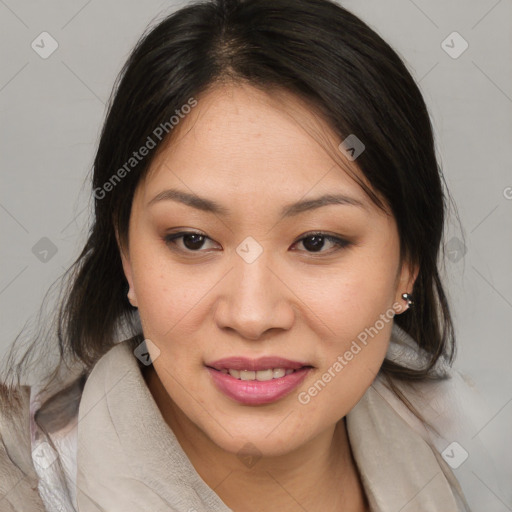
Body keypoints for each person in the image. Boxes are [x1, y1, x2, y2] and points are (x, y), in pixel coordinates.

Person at [0, 0, 494, 510]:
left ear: (406, 265)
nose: (252, 315)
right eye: (193, 240)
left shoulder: (468, 448)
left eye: (316, 241)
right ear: (126, 255)